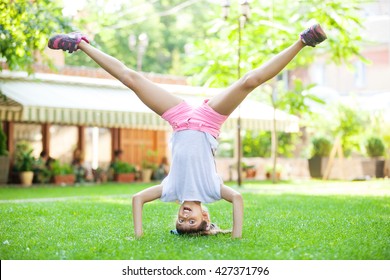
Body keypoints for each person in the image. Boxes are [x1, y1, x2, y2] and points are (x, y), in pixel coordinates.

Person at [48, 24, 327, 238]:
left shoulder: (171, 190)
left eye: (180, 222)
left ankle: (80, 44)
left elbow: (137, 199)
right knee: (249, 81)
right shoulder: (212, 190)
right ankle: (303, 41)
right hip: (208, 120)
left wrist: (139, 235)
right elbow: (238, 199)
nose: (183, 217)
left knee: (132, 79)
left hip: (179, 119)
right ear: (205, 217)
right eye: (191, 221)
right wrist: (234, 235)